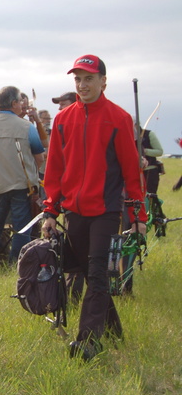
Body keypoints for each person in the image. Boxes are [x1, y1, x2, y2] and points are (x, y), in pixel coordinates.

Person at [42, 54, 146, 361]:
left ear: (103, 81)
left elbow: (131, 173)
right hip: (75, 211)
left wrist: (138, 216)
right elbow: (55, 170)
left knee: (98, 274)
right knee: (88, 272)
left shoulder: (119, 118)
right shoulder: (63, 119)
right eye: (78, 79)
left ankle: (87, 342)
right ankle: (115, 333)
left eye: (89, 78)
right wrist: (51, 210)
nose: (82, 85)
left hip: (105, 210)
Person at [0, 86, 45, 271]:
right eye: (20, 101)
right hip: (21, 186)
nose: (22, 104)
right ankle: (17, 265)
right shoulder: (26, 127)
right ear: (14, 103)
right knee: (22, 228)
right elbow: (40, 158)